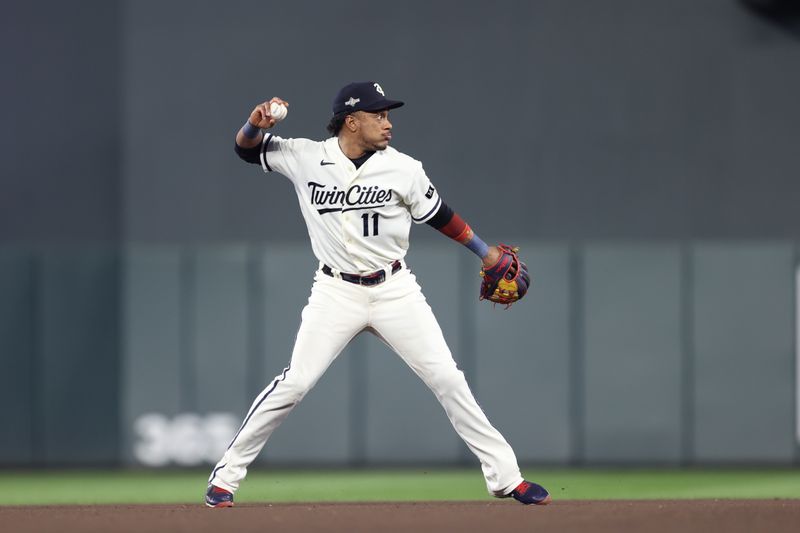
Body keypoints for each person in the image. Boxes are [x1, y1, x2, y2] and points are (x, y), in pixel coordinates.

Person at [205, 81, 551, 508]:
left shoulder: (403, 167)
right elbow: (247, 149)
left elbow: (440, 215)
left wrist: (484, 251)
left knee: (447, 378)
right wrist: (253, 124)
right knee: (294, 383)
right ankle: (227, 476)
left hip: (395, 290)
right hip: (335, 290)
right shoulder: (306, 156)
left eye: (388, 115)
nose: (388, 123)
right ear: (352, 121)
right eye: (379, 115)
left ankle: (507, 478)